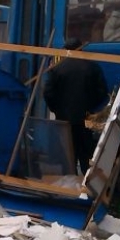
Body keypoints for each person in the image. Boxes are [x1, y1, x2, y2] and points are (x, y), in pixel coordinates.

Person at [43, 38, 108, 174]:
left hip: (64, 119)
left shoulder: (57, 68)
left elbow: (48, 93)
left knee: (67, 153)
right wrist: (91, 107)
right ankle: (85, 183)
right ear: (81, 49)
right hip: (86, 118)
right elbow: (102, 92)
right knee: (85, 152)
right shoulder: (92, 67)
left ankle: (70, 182)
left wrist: (57, 110)